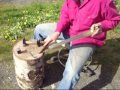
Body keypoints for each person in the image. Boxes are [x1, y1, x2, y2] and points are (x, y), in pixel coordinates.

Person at [34, 0, 120, 89]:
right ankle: (35, 63)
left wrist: (101, 26)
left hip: (87, 38)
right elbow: (65, 15)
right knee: (39, 29)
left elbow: (115, 19)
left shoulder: (102, 1)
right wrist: (57, 31)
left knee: (71, 72)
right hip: (70, 30)